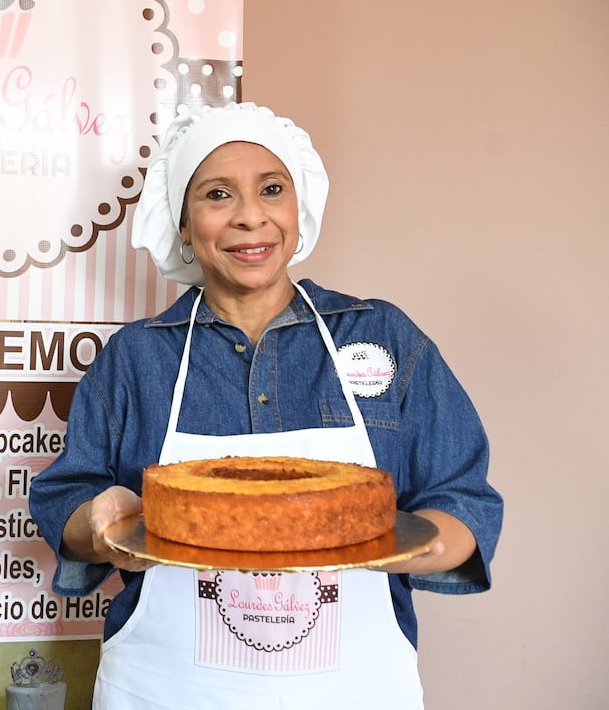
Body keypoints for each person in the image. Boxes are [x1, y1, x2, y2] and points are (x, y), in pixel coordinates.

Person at [28, 102, 502, 709]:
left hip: (351, 691)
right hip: (168, 691)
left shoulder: (383, 335)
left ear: (297, 211)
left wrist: (425, 543)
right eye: (218, 195)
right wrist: (101, 521)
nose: (250, 217)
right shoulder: (136, 359)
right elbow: (66, 500)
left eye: (271, 189)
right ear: (181, 224)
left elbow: (462, 496)